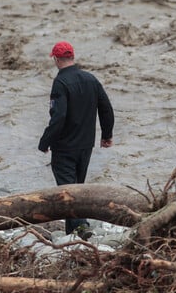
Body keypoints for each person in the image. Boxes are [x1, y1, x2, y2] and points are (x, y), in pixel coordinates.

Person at [38, 41, 115, 239]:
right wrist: (107, 135)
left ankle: (82, 226)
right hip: (85, 145)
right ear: (72, 57)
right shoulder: (91, 79)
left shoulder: (60, 83)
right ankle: (72, 233)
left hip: (64, 147)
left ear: (55, 59)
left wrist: (45, 141)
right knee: (77, 187)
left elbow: (59, 116)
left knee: (68, 190)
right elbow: (106, 108)